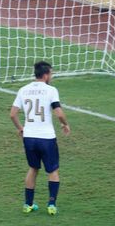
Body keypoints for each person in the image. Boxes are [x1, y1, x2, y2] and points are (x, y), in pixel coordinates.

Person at [9, 61, 70, 216]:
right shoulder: (51, 90)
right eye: (51, 73)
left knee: (33, 168)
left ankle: (28, 204)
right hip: (46, 138)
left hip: (29, 137)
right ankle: (51, 204)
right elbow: (59, 113)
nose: (52, 76)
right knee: (53, 171)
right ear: (45, 75)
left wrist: (20, 128)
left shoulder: (23, 90)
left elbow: (12, 114)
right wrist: (65, 124)